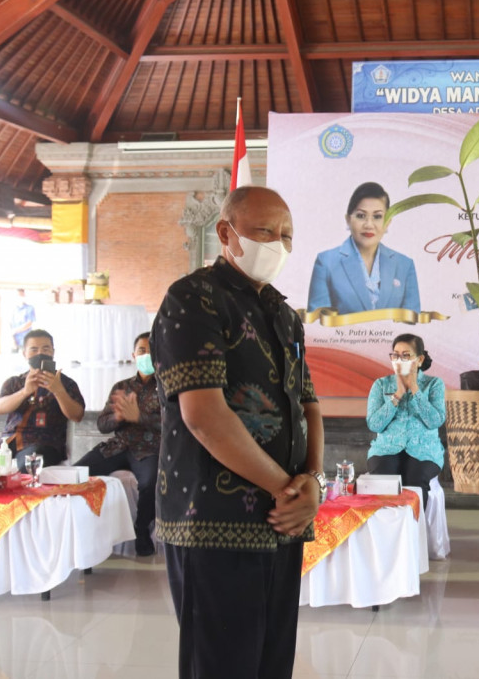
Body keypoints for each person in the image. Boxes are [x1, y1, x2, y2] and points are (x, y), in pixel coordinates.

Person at [150, 186, 324, 679]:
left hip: (283, 520)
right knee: (222, 665)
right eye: (265, 231)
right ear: (226, 233)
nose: (277, 245)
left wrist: (312, 482)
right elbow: (204, 416)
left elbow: (308, 405)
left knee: (272, 662)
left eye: (286, 236)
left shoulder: (284, 313)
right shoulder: (194, 298)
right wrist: (287, 488)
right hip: (212, 517)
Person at [75, 332, 160, 556]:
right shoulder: (121, 386)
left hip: (149, 450)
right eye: (142, 350)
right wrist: (118, 417)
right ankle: (82, 531)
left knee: (150, 482)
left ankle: (141, 530)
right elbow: (102, 425)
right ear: (133, 355)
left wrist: (139, 417)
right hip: (118, 446)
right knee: (76, 473)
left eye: (151, 350)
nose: (147, 355)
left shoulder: (167, 387)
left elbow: (173, 425)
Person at [307, 182, 421, 315]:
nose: (369, 225)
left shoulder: (405, 265)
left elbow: (413, 322)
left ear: (388, 222)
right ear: (348, 219)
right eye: (361, 216)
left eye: (377, 216)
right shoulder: (326, 262)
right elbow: (317, 323)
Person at [365, 333, 445, 509]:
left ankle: (414, 525)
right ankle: (387, 527)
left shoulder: (434, 384)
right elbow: (374, 424)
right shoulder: (381, 384)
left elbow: (435, 421)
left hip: (424, 450)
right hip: (386, 448)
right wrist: (398, 395)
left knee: (414, 481)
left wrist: (415, 389)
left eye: (406, 355)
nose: (399, 360)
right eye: (395, 355)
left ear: (419, 359)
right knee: (383, 480)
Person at [0, 329, 84, 470]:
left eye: (45, 349)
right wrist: (25, 392)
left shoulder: (66, 383)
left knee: (30, 463)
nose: (40, 353)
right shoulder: (14, 382)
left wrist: (58, 390)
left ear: (53, 352)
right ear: (25, 354)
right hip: (9, 442)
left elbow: (77, 416)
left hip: (45, 444)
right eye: (34, 349)